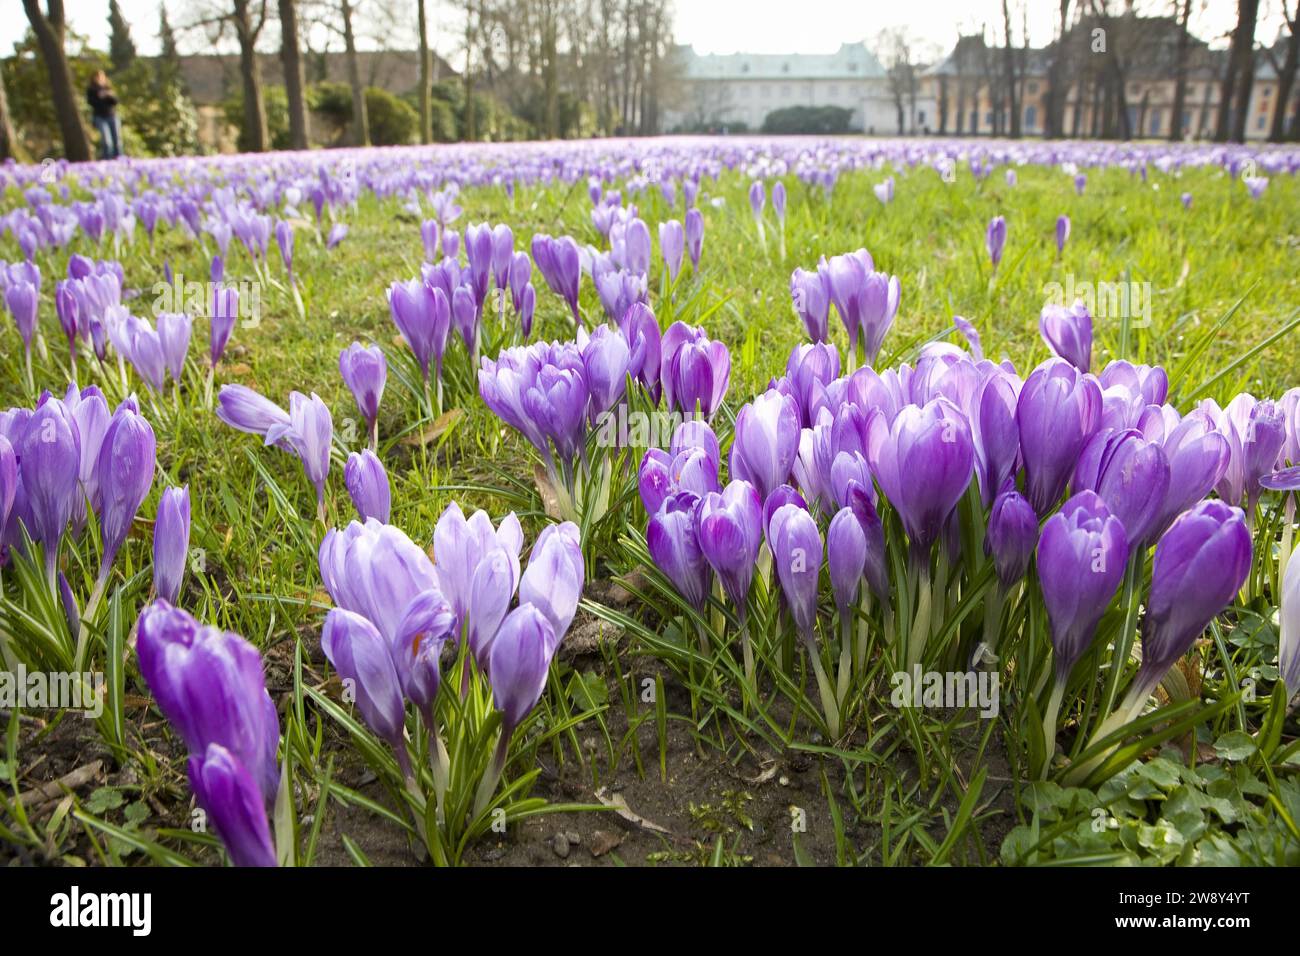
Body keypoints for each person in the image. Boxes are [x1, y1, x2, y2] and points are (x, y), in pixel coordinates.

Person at [86, 71, 122, 160]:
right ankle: (107, 161)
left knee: (117, 140)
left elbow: (115, 102)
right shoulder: (91, 90)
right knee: (107, 141)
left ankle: (119, 160)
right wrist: (99, 97)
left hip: (112, 116)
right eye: (97, 76)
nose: (99, 78)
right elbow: (91, 103)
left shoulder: (108, 88)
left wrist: (108, 95)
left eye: (101, 76)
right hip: (100, 117)